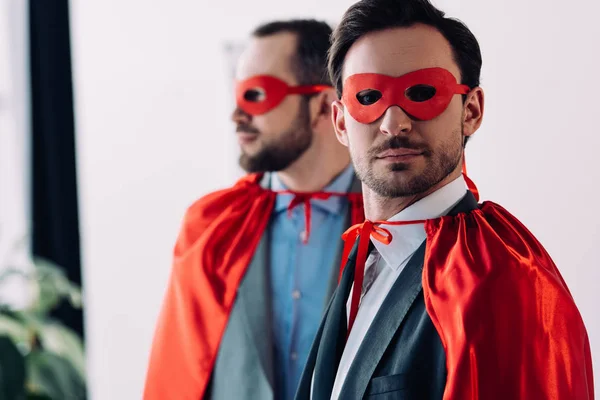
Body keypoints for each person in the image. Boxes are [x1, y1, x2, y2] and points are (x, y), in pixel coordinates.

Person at [295, 1, 594, 399]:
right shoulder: (365, 257)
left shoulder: (502, 280)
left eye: (422, 92)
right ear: (340, 122)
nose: (393, 122)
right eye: (368, 96)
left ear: (471, 111)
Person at [144, 19, 364, 400]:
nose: (237, 115)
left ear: (324, 105)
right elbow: (176, 375)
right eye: (237, 94)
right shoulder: (212, 226)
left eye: (258, 94)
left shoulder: (394, 224)